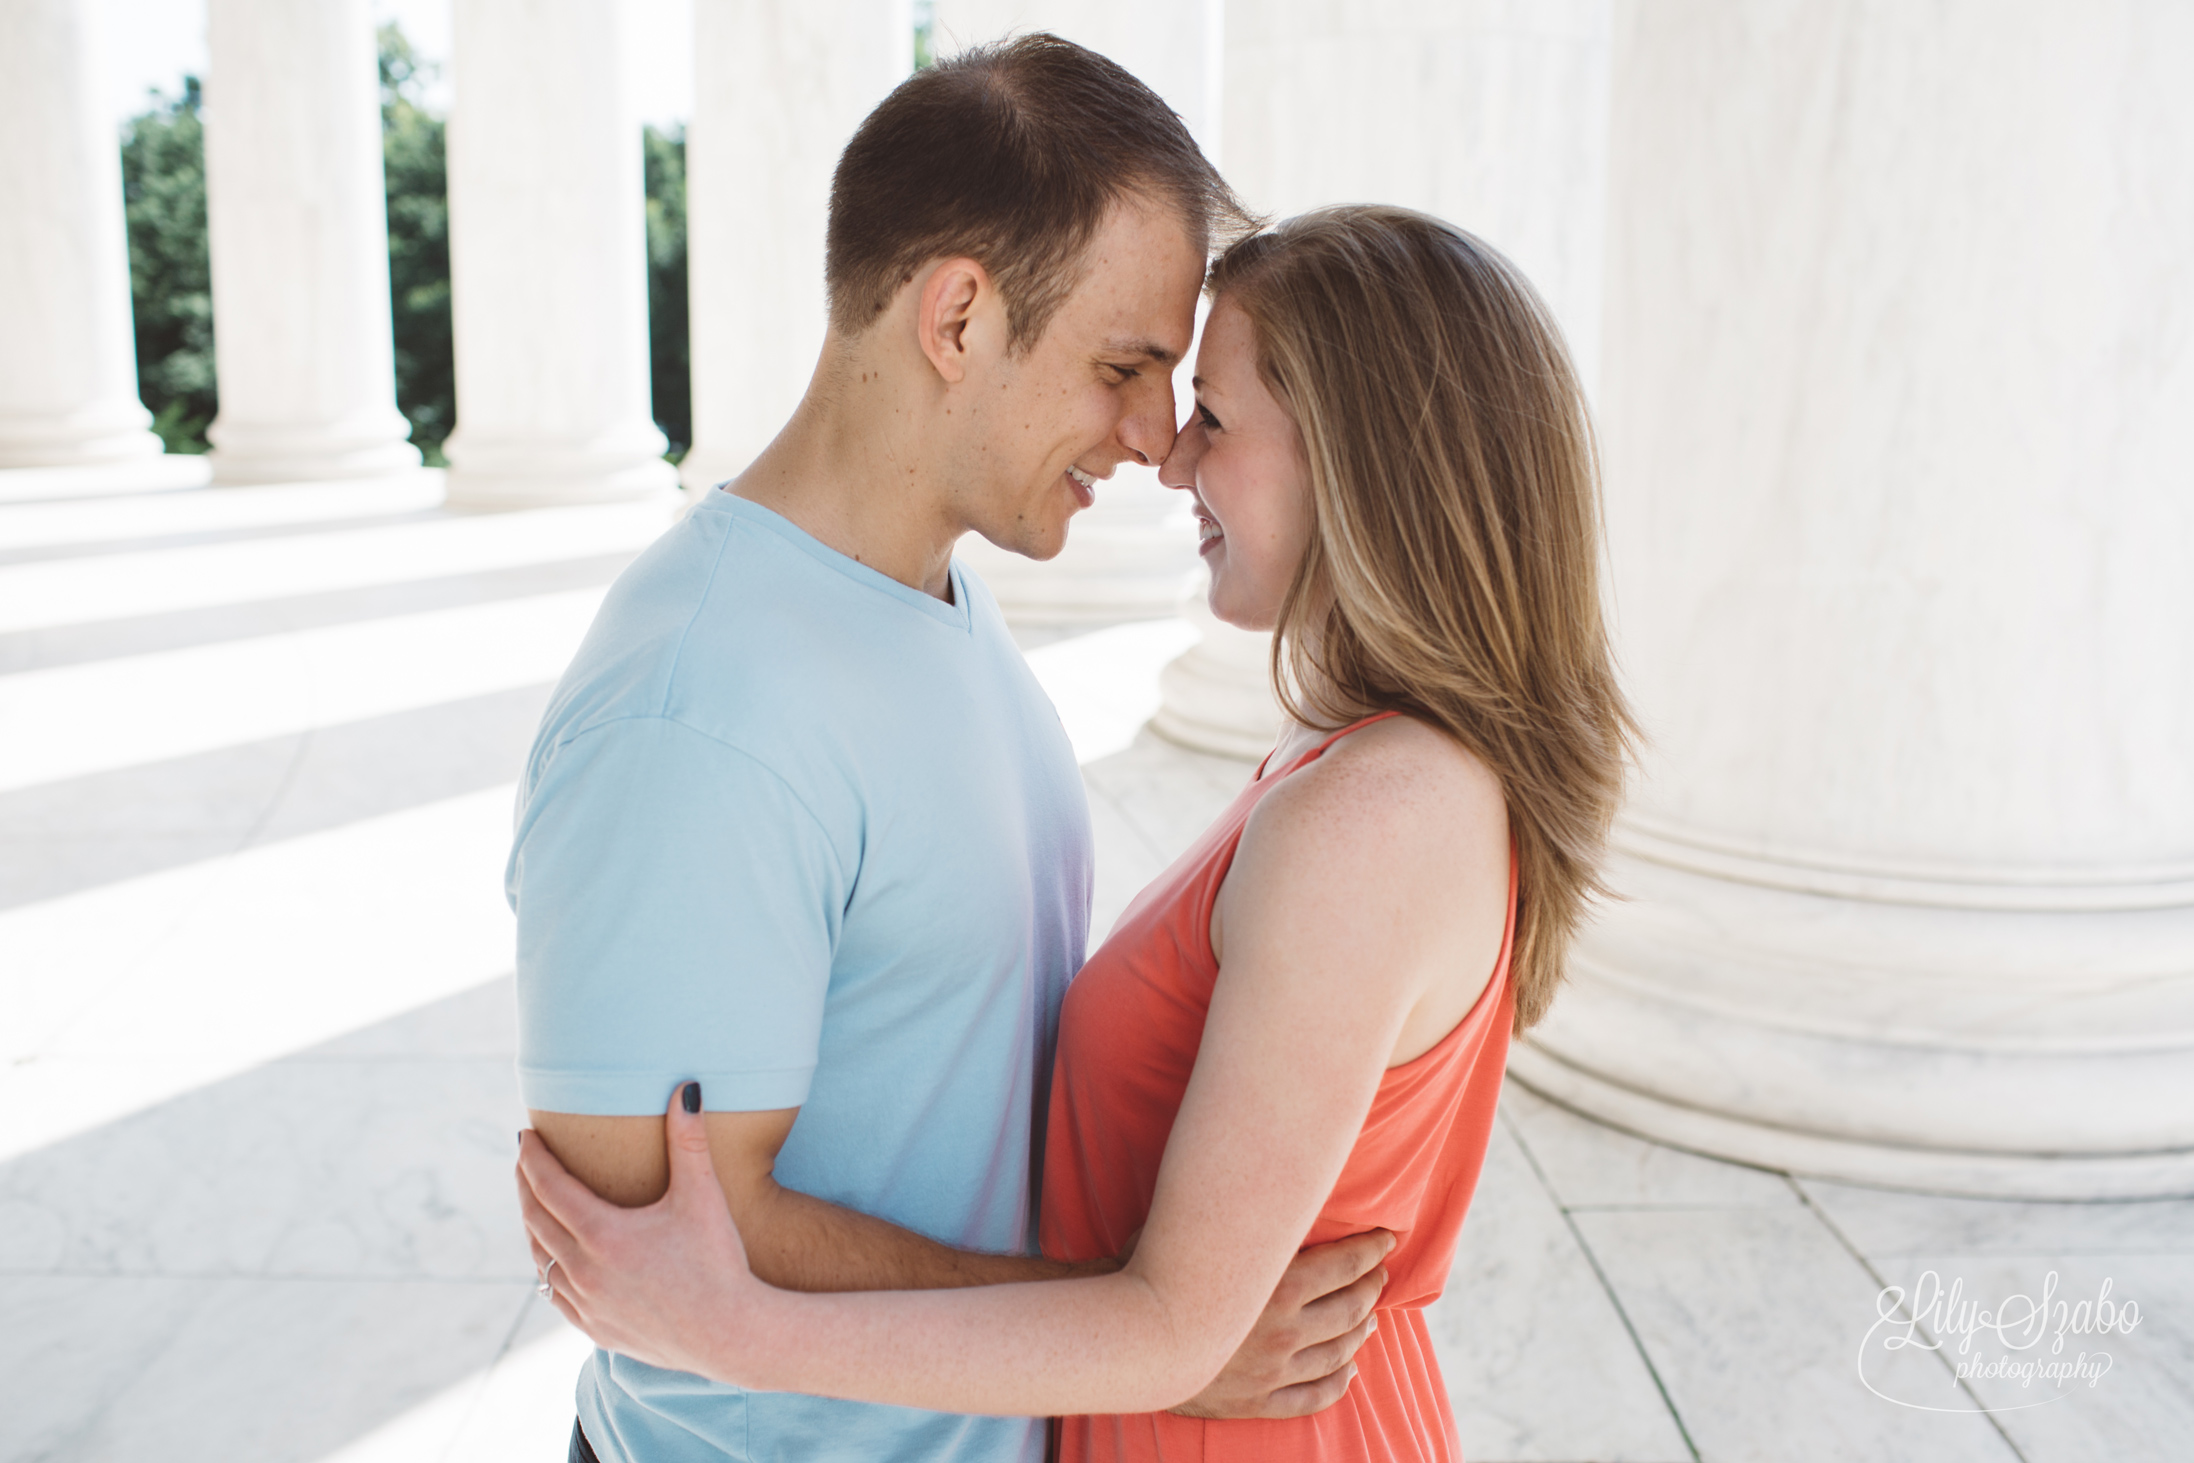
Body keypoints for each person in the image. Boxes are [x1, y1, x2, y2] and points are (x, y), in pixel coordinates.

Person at [519, 203, 1639, 1461]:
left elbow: (1173, 1329)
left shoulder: (1378, 811)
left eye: (1210, 413)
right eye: (1139, 378)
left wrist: (729, 1327)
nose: (1167, 456)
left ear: (1360, 455)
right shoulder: (1354, 763)